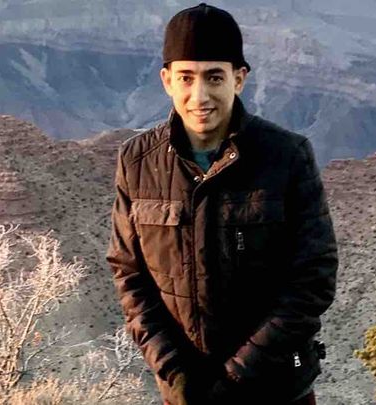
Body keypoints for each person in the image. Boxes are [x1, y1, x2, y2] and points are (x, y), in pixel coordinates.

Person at [105, 3, 338, 405]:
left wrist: (236, 377)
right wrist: (174, 371)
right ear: (166, 81)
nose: (200, 95)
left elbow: (312, 279)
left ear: (239, 79)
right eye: (186, 77)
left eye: (214, 77)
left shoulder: (287, 157)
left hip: (276, 390)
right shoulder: (138, 162)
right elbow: (130, 273)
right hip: (186, 393)